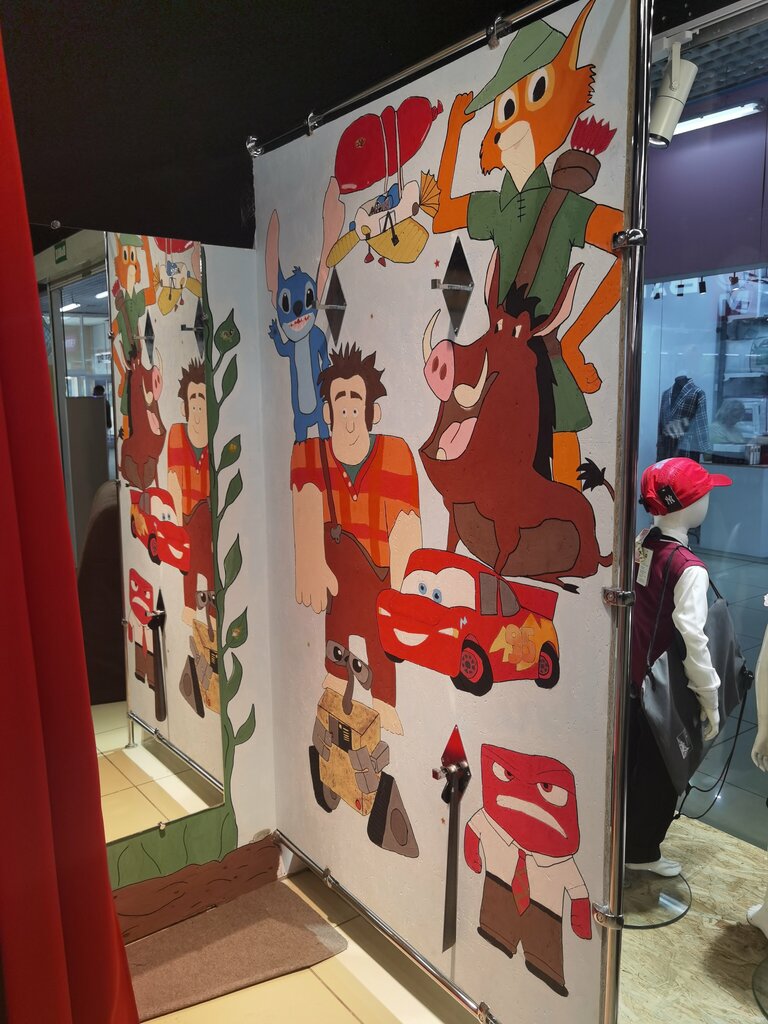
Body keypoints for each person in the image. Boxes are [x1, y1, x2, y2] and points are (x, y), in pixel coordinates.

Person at [290, 343, 421, 734]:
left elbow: (406, 530)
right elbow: (304, 499)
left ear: (372, 412)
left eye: (356, 401)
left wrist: (406, 598)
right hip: (336, 575)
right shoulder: (310, 456)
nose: (348, 414)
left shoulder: (395, 455)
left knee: (380, 638)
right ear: (327, 412)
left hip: (380, 574)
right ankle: (335, 675)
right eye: (340, 402)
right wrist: (308, 561)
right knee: (338, 622)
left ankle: (384, 700)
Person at [627, 458, 731, 875]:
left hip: (636, 681)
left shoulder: (642, 542)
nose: (708, 501)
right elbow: (694, 639)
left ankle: (629, 841)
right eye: (704, 494)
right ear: (689, 505)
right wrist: (711, 698)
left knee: (636, 768)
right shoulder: (690, 569)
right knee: (660, 774)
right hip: (665, 691)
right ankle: (641, 853)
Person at [167, 359, 214, 627]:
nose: (197, 409)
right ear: (185, 408)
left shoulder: (215, 444)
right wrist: (176, 525)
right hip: (187, 517)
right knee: (191, 562)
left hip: (208, 518)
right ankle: (189, 604)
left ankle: (213, 613)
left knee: (209, 563)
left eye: (202, 402)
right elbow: (173, 481)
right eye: (193, 401)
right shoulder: (177, 434)